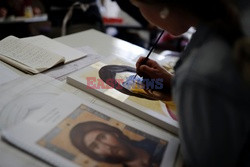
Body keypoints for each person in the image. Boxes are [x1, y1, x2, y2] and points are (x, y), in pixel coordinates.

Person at [130, 0, 250, 166]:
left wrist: (189, 87)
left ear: (163, 7)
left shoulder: (198, 74)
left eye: (137, 6)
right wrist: (175, 84)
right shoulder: (239, 11)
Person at [70, 121, 167, 167]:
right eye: (95, 146)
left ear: (114, 133)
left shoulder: (158, 145)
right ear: (97, 154)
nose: (107, 147)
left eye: (102, 137)